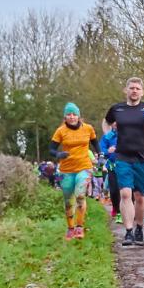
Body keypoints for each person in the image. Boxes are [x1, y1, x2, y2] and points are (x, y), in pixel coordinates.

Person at [104, 77, 144, 247]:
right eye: (131, 88)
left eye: (137, 88)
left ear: (142, 92)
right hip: (123, 157)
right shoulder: (117, 109)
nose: (134, 91)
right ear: (126, 90)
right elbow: (106, 121)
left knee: (140, 197)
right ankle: (128, 232)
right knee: (125, 194)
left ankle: (139, 228)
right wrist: (108, 134)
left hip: (143, 158)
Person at [47, 103, 99, 240]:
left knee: (80, 195)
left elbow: (95, 143)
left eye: (74, 114)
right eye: (69, 114)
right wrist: (58, 155)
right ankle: (70, 228)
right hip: (66, 170)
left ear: (79, 116)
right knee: (68, 200)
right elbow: (51, 149)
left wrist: (101, 154)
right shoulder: (61, 131)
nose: (72, 117)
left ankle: (79, 227)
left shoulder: (88, 128)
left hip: (84, 167)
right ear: (65, 116)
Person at [101, 126, 121, 223]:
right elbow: (102, 149)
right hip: (112, 166)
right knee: (114, 190)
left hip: (127, 165)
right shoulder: (108, 135)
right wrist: (107, 151)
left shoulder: (127, 132)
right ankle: (116, 207)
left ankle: (122, 212)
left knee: (128, 190)